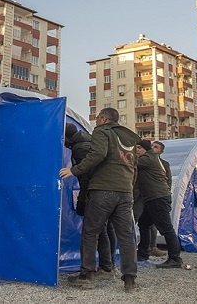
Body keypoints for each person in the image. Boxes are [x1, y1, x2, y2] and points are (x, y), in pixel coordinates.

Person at [60, 108, 141, 292]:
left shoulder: (102, 131)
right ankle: (130, 281)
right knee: (127, 237)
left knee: (90, 233)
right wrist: (128, 187)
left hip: (103, 189)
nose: (96, 122)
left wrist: (74, 170)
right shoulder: (129, 137)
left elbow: (98, 154)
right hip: (125, 192)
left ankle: (87, 275)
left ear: (104, 119)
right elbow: (134, 167)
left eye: (97, 119)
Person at [64, 124, 117, 276]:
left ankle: (90, 272)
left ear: (67, 137)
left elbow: (85, 176)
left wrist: (82, 199)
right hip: (107, 191)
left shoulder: (79, 148)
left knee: (92, 231)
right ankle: (108, 265)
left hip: (95, 192)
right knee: (105, 229)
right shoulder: (89, 141)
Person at [135, 140, 184, 268]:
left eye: (139, 148)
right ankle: (143, 252)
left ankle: (175, 258)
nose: (136, 150)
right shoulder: (152, 158)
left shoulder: (148, 158)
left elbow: (130, 163)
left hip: (157, 198)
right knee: (144, 224)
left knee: (166, 228)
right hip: (152, 198)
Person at [133, 140, 164, 258]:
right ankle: (144, 249)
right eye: (152, 146)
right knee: (141, 222)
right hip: (141, 196)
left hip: (150, 196)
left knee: (153, 224)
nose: (154, 148)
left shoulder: (154, 161)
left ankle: (152, 248)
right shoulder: (145, 160)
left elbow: (167, 178)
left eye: (156, 147)